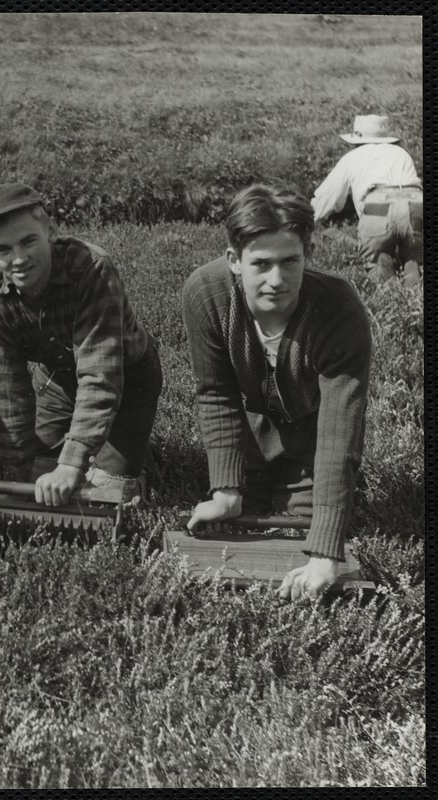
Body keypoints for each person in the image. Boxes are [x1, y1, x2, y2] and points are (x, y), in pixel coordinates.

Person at [182, 184, 372, 601]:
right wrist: (226, 490)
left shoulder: (339, 308)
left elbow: (341, 428)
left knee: (301, 536)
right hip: (251, 426)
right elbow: (216, 394)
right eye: (261, 263)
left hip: (315, 430)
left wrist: (325, 552)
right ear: (234, 260)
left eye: (290, 261)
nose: (277, 280)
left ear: (308, 254)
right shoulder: (206, 294)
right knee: (236, 516)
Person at [0, 182, 163, 507]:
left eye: (29, 241)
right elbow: (4, 391)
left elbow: (101, 376)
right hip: (57, 379)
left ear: (52, 231)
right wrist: (16, 476)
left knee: (106, 497)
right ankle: (96, 445)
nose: (19, 259)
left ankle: (129, 451)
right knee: (36, 483)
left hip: (128, 379)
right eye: (3, 249)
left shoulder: (92, 268)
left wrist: (72, 464)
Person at [311, 114, 423, 285]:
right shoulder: (401, 153)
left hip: (378, 203)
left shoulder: (352, 157)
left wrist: (310, 218)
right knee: (414, 263)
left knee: (379, 265)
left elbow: (328, 196)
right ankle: (414, 298)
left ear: (356, 140)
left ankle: (388, 297)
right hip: (416, 202)